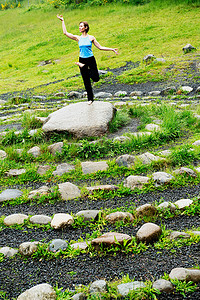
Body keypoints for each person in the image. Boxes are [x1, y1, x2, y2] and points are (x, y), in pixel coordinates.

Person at [57, 15, 118, 104]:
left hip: (91, 59)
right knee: (86, 81)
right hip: (82, 59)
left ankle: (84, 68)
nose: (79, 27)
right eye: (79, 26)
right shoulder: (78, 38)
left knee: (96, 78)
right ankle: (90, 99)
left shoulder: (91, 38)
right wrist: (62, 21)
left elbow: (100, 47)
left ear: (86, 28)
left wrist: (111, 49)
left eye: (81, 26)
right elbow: (65, 33)